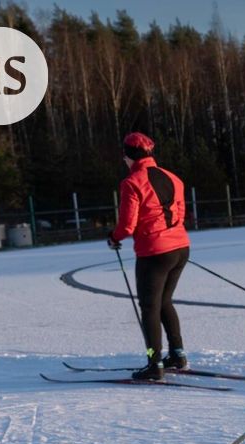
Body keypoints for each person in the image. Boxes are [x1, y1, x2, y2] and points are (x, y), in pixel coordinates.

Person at [108, 132, 191, 381]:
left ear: (129, 156)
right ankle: (177, 355)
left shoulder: (132, 183)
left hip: (154, 253)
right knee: (165, 301)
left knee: (149, 308)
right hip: (180, 248)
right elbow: (181, 213)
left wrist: (114, 237)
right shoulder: (173, 178)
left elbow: (127, 225)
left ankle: (154, 364)